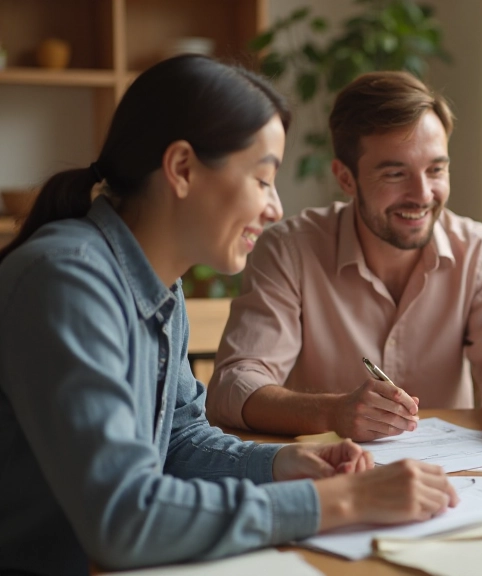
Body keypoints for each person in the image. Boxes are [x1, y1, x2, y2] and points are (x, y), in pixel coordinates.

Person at [0, 56, 457, 576]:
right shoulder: (66, 280)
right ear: (182, 169)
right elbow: (124, 519)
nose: (275, 208)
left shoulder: (158, 284)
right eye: (263, 179)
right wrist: (343, 502)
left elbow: (177, 439)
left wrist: (282, 466)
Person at [206, 71, 482, 441]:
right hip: (333, 476)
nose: (422, 195)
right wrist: (333, 412)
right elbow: (232, 385)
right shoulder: (289, 251)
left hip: (455, 482)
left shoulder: (478, 250)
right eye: (396, 174)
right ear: (346, 178)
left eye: (436, 170)